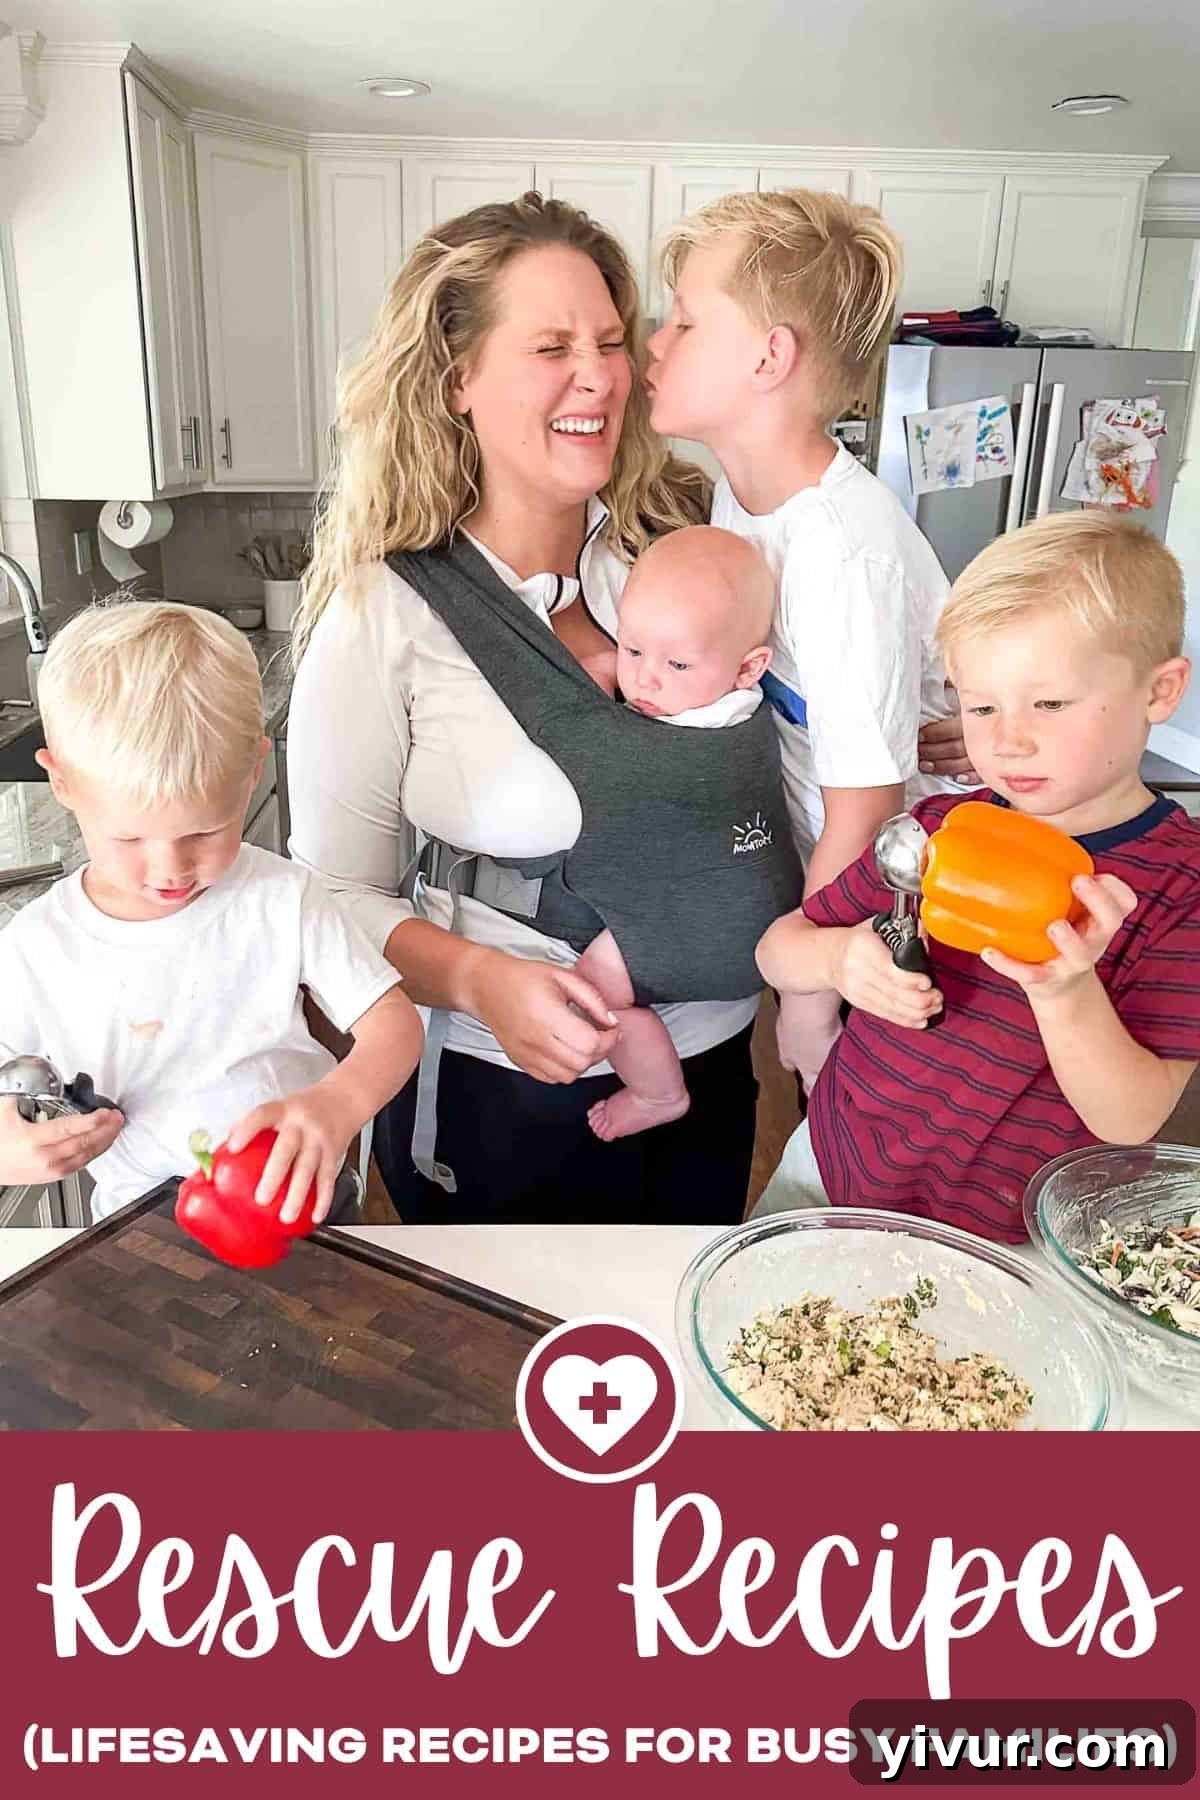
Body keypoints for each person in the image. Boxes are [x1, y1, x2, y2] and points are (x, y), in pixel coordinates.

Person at [286, 192, 781, 1226]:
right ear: (458, 379)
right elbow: (328, 894)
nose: (597, 375)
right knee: (490, 1379)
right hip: (506, 1094)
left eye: (609, 340)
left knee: (680, 1356)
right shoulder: (389, 609)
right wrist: (475, 980)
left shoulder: (687, 552)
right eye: (550, 346)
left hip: (720, 1061)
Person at [752, 512, 1200, 1242]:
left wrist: (1065, 991)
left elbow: (1133, 1117)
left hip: (1007, 1235)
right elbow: (778, 947)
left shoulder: (1183, 888)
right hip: (836, 1167)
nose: (1007, 737)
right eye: (981, 704)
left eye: (1049, 703)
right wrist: (839, 958)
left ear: (1159, 692)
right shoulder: (931, 832)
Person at [645, 187, 969, 1087]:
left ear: (769, 357)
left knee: (875, 1162)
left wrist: (811, 998)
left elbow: (866, 806)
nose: (656, 344)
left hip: (900, 922)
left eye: (684, 322)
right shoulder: (738, 500)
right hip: (835, 907)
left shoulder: (838, 545)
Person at [0, 601, 423, 1223]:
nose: (170, 869)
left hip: (300, 1204)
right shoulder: (37, 945)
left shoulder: (281, 897)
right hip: (135, 1222)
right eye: (130, 839)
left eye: (205, 832)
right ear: (60, 782)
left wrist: (340, 1103)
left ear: (255, 769)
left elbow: (394, 1024)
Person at [575, 524, 776, 1142]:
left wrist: (592, 679)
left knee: (592, 989)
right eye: (633, 651)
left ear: (750, 666)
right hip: (748, 916)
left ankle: (657, 1092)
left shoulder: (695, 733)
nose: (646, 681)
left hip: (705, 921)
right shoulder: (731, 701)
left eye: (676, 663)